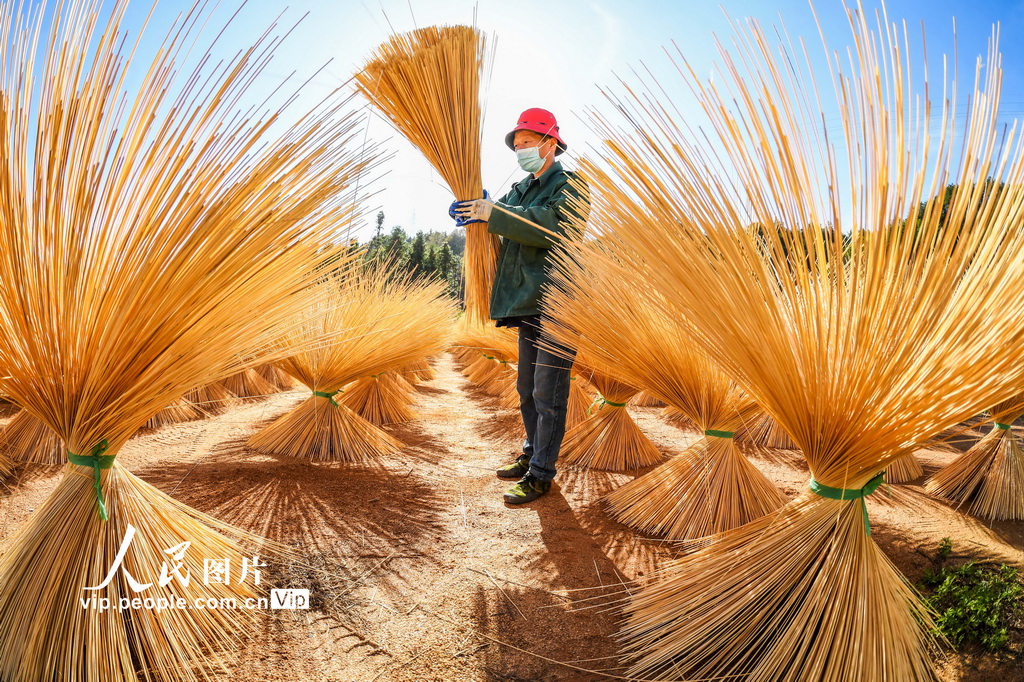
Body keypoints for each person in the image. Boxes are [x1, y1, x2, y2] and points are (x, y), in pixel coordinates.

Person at [449, 108, 589, 504]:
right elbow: (500, 213)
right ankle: (531, 455)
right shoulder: (519, 190)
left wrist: (495, 213)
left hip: (557, 302)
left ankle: (542, 474)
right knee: (526, 389)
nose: (521, 149)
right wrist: (471, 210)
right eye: (518, 144)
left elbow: (555, 226)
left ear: (551, 143)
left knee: (548, 393)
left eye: (528, 142)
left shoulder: (572, 185)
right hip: (527, 302)